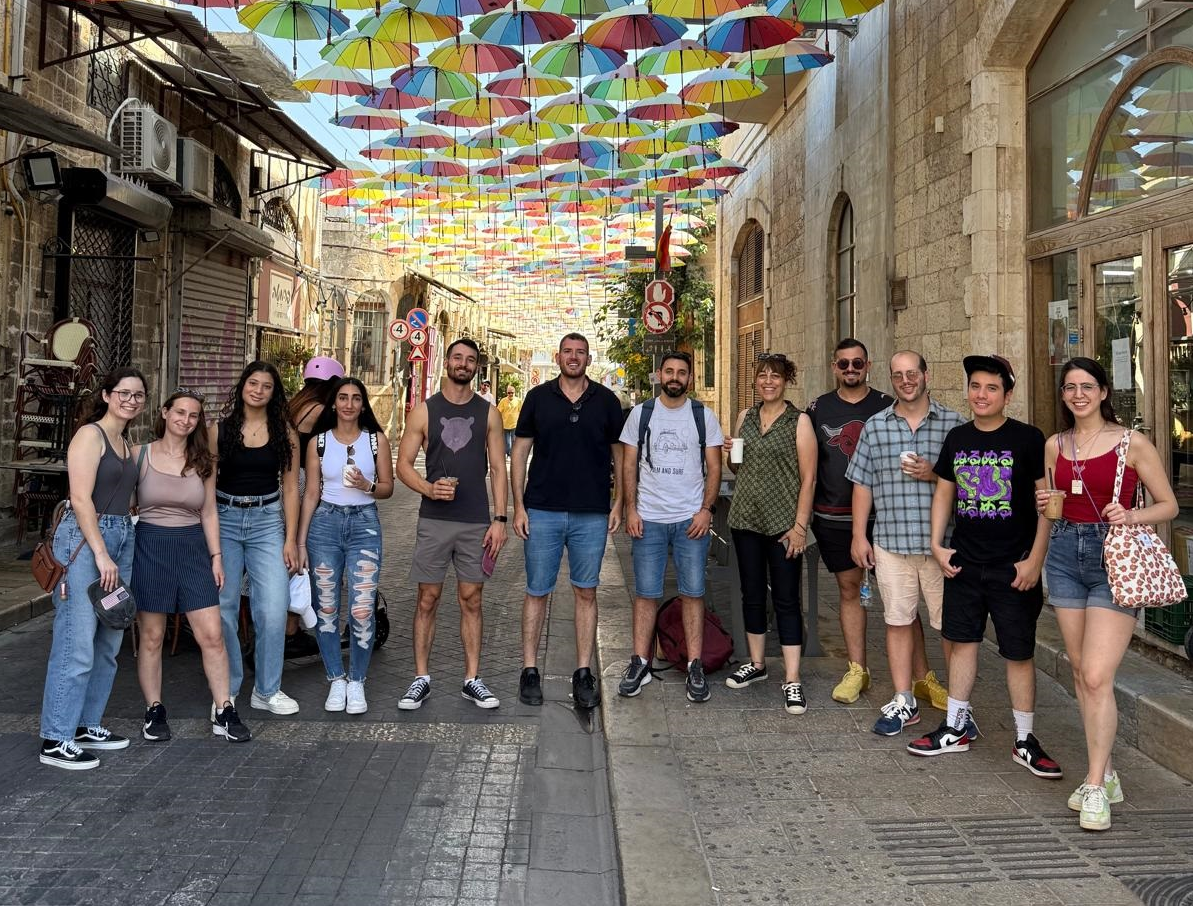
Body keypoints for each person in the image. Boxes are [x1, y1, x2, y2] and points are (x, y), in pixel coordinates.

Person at [1035, 357, 1177, 831]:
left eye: (1087, 386)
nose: (1078, 394)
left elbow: (1169, 504)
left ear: (1103, 392)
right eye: (1070, 387)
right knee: (1080, 672)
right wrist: (1044, 504)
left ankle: (1094, 784)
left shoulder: (1132, 443)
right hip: (1064, 555)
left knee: (1097, 675)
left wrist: (1131, 515)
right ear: (1063, 394)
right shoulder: (1055, 445)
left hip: (1114, 557)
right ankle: (1108, 772)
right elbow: (1052, 507)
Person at [908, 354, 1061, 781]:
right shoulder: (957, 438)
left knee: (1018, 652)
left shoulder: (1028, 439)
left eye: (992, 388)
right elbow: (945, 492)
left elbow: (1047, 503)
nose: (981, 394)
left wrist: (1035, 560)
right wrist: (937, 546)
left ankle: (1025, 740)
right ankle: (955, 727)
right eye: (975, 386)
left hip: (1015, 567)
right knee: (961, 643)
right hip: (965, 563)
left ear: (1007, 395)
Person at [846, 352, 963, 736]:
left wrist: (934, 474)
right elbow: (862, 484)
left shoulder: (954, 425)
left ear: (927, 375)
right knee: (897, 622)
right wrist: (859, 535)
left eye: (912, 373)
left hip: (942, 547)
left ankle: (959, 708)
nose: (906, 380)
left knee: (952, 629)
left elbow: (970, 484)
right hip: (891, 543)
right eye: (898, 375)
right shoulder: (876, 426)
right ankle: (903, 699)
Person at [38, 367, 144, 770]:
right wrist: (101, 553)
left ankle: (85, 725)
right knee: (76, 642)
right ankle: (55, 738)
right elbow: (80, 498)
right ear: (106, 395)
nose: (130, 400)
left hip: (121, 536)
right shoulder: (90, 435)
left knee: (109, 640)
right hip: (85, 543)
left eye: (138, 395)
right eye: (123, 393)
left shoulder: (125, 441)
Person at [512, 333, 624, 709]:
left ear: (589, 359)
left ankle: (583, 672)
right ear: (558, 357)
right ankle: (530, 670)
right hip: (542, 510)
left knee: (586, 592)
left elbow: (620, 456)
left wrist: (620, 503)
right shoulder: (537, 398)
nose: (573, 357)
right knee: (536, 591)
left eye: (580, 352)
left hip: (591, 514)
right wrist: (518, 506)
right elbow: (519, 453)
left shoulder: (607, 401)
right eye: (568, 352)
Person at [395, 339, 508, 711]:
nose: (463, 364)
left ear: (476, 367)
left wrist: (500, 519)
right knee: (427, 598)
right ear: (446, 362)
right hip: (435, 520)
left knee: (472, 599)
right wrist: (428, 488)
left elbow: (498, 469)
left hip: (475, 521)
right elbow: (403, 465)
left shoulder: (489, 413)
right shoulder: (425, 411)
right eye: (457, 357)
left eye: (470, 360)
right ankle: (421, 678)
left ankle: (472, 679)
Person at [132, 390, 250, 744]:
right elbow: (125, 507)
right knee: (152, 636)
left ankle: (224, 710)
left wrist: (217, 557)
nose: (185, 420)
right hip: (150, 547)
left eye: (193, 415)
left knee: (212, 635)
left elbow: (209, 511)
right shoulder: (139, 455)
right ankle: (154, 710)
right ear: (165, 413)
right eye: (180, 412)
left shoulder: (203, 460)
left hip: (194, 549)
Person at [618, 352, 724, 703]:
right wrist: (631, 509)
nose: (675, 377)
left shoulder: (703, 416)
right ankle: (640, 662)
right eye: (669, 371)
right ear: (659, 375)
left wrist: (706, 510)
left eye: (681, 372)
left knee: (693, 593)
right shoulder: (641, 414)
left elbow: (714, 466)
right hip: (649, 518)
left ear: (690, 379)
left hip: (690, 521)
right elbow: (629, 465)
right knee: (646, 593)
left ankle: (695, 664)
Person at [719, 353, 815, 714]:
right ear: (755, 381)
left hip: (783, 524)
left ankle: (792, 678)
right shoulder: (745, 416)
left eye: (775, 376)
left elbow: (809, 478)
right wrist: (730, 453)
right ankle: (757, 664)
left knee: (787, 599)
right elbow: (737, 468)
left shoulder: (799, 421)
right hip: (746, 518)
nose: (768, 381)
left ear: (786, 381)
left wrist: (800, 527)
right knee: (752, 593)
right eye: (762, 376)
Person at [800, 337, 893, 703]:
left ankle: (921, 677)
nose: (851, 369)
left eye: (857, 363)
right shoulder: (817, 409)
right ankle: (857, 670)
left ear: (868, 366)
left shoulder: (887, 405)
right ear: (834, 367)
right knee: (849, 589)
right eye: (844, 363)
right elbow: (805, 461)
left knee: (902, 596)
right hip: (833, 515)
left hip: (884, 516)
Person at [210, 362, 302, 719]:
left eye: (266, 385)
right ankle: (227, 690)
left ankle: (267, 690)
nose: (258, 390)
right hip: (226, 518)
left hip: (267, 521)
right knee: (224, 609)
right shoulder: (219, 431)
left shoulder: (285, 433)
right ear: (242, 386)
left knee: (274, 609)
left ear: (274, 393)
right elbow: (206, 484)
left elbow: (291, 488)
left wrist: (291, 539)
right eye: (253, 383)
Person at [297, 377, 395, 715]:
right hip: (324, 525)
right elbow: (311, 492)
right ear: (334, 403)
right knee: (325, 608)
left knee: (362, 608)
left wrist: (368, 485)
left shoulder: (376, 440)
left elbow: (388, 487)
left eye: (355, 398)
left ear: (363, 404)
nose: (349, 404)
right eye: (342, 397)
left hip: (364, 525)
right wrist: (300, 540)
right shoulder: (319, 442)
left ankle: (357, 681)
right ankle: (335, 679)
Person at [284, 356, 345, 658]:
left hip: (285, 483)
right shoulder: (322, 411)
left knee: (294, 559)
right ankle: (293, 632)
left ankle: (290, 629)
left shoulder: (294, 405)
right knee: (306, 557)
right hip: (307, 485)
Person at [497, 384, 521, 458]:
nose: (510, 394)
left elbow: (522, 411)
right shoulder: (503, 401)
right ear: (507, 393)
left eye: (512, 392)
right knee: (507, 442)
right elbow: (498, 411)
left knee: (514, 441)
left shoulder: (518, 401)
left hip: (515, 424)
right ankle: (508, 453)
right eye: (509, 393)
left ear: (514, 392)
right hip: (505, 425)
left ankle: (512, 454)